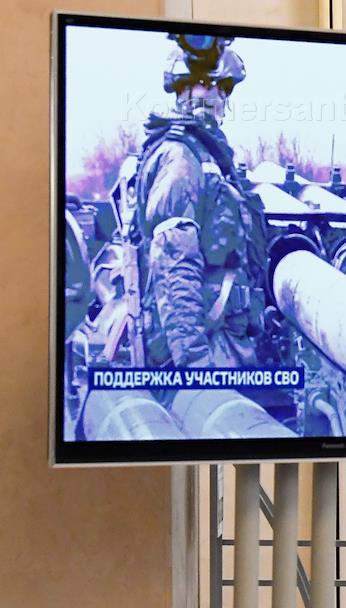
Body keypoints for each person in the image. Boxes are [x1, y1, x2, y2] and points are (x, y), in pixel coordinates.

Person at [135, 33, 268, 370]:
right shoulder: (180, 158)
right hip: (205, 350)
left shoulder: (209, 158)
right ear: (182, 91)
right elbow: (174, 265)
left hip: (228, 343)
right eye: (206, 85)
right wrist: (196, 370)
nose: (215, 96)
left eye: (222, 88)